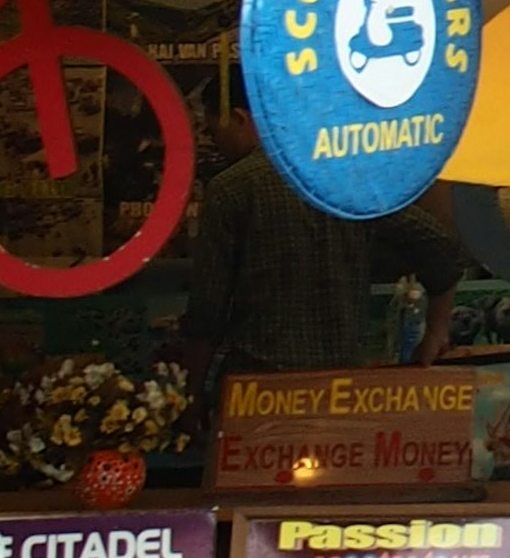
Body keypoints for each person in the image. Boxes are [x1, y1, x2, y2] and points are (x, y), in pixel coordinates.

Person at [178, 123, 469, 380]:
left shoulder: (230, 189)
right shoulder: (350, 185)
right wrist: (436, 331)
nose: (214, 141)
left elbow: (206, 314)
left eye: (214, 130)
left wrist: (192, 399)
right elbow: (441, 247)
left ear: (240, 117)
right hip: (340, 385)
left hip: (256, 388)